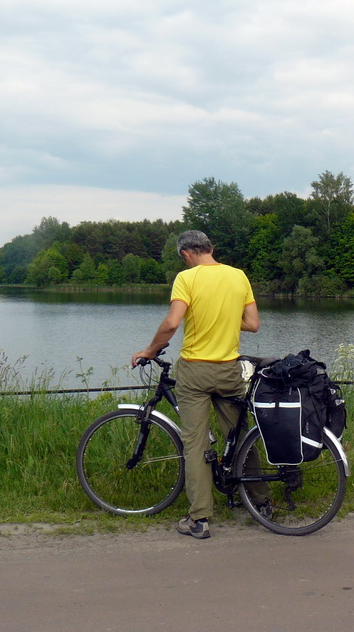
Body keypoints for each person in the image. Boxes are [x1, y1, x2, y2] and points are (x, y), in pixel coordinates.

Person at [131, 230, 260, 539]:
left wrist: (150, 350)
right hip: (229, 369)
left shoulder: (186, 278)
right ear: (210, 248)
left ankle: (200, 519)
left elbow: (172, 323)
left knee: (195, 443)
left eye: (184, 258)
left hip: (195, 371)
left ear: (186, 254)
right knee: (240, 436)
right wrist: (223, 317)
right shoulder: (238, 276)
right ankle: (261, 503)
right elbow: (253, 324)